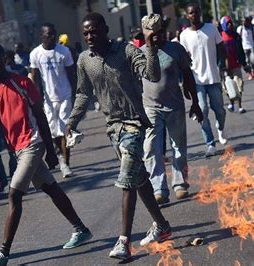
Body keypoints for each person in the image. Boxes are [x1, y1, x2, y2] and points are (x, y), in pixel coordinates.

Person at [65, 12, 172, 261]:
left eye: (94, 31)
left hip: (134, 124)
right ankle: (162, 226)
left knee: (126, 179)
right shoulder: (84, 60)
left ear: (105, 29)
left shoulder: (125, 51)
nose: (90, 36)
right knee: (139, 179)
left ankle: (124, 241)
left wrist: (150, 48)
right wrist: (72, 120)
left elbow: (152, 75)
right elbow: (83, 94)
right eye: (86, 33)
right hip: (113, 128)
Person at [0, 42, 92, 266]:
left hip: (33, 143)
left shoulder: (22, 82)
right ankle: (81, 229)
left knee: (14, 195)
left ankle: (3, 252)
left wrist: (52, 151)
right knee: (51, 188)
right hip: (17, 150)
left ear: (5, 58)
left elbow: (41, 116)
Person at [140, 15, 203, 204]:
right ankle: (158, 188)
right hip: (150, 108)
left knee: (178, 147)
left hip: (174, 106)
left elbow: (187, 74)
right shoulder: (139, 53)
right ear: (144, 34)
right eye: (152, 34)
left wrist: (195, 103)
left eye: (159, 33)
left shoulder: (175, 50)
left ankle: (180, 183)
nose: (156, 37)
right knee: (151, 149)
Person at [180, 3, 229, 157]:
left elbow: (221, 48)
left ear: (200, 13)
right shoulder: (184, 35)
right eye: (191, 13)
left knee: (220, 111)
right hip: (197, 80)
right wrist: (185, 82)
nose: (194, 15)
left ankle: (220, 127)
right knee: (202, 111)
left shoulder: (211, 28)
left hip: (213, 77)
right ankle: (210, 144)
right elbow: (184, 60)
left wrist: (223, 66)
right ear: (187, 16)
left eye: (196, 12)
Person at [30, 23, 77, 178]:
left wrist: (76, 95)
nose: (52, 37)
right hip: (48, 100)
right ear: (41, 35)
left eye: (53, 33)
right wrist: (37, 101)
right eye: (48, 34)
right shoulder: (36, 54)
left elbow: (72, 74)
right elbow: (35, 79)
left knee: (65, 130)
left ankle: (66, 163)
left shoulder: (64, 51)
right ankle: (60, 154)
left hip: (65, 96)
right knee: (52, 132)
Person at [221, 16, 249, 113]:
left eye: (230, 23)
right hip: (225, 67)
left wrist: (244, 64)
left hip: (236, 65)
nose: (230, 25)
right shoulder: (220, 37)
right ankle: (231, 103)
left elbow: (240, 51)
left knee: (239, 84)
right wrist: (222, 66)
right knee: (229, 87)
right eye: (227, 23)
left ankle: (240, 105)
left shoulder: (236, 36)